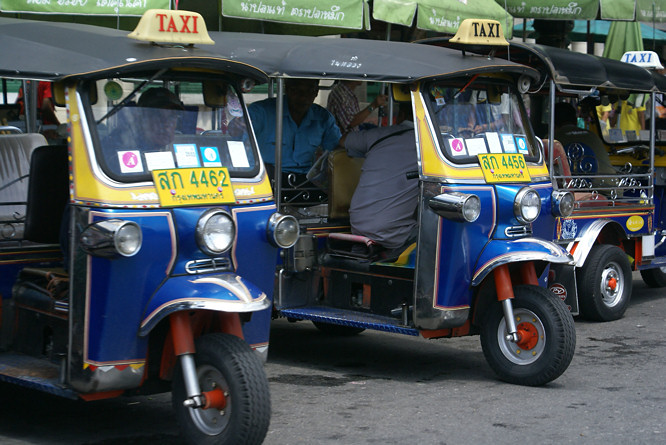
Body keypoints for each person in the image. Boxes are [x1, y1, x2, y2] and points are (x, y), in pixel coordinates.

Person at [339, 102, 417, 253]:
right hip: (391, 235)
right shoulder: (430, 145)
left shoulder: (379, 135)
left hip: (358, 225)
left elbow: (343, 141)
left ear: (400, 116)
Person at [248, 78, 341, 176]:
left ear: (316, 92)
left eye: (309, 91)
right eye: (296, 90)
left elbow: (336, 150)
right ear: (287, 89)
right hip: (267, 177)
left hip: (307, 180)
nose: (303, 97)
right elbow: (240, 143)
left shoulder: (323, 118)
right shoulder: (260, 112)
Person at [102, 87, 184, 175]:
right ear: (141, 117)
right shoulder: (117, 151)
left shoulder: (179, 149)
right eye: (157, 115)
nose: (166, 123)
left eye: (172, 116)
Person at [554, 102, 618, 197]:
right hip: (613, 192)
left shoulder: (553, 140)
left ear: (553, 122)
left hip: (574, 196)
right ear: (575, 119)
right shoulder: (593, 136)